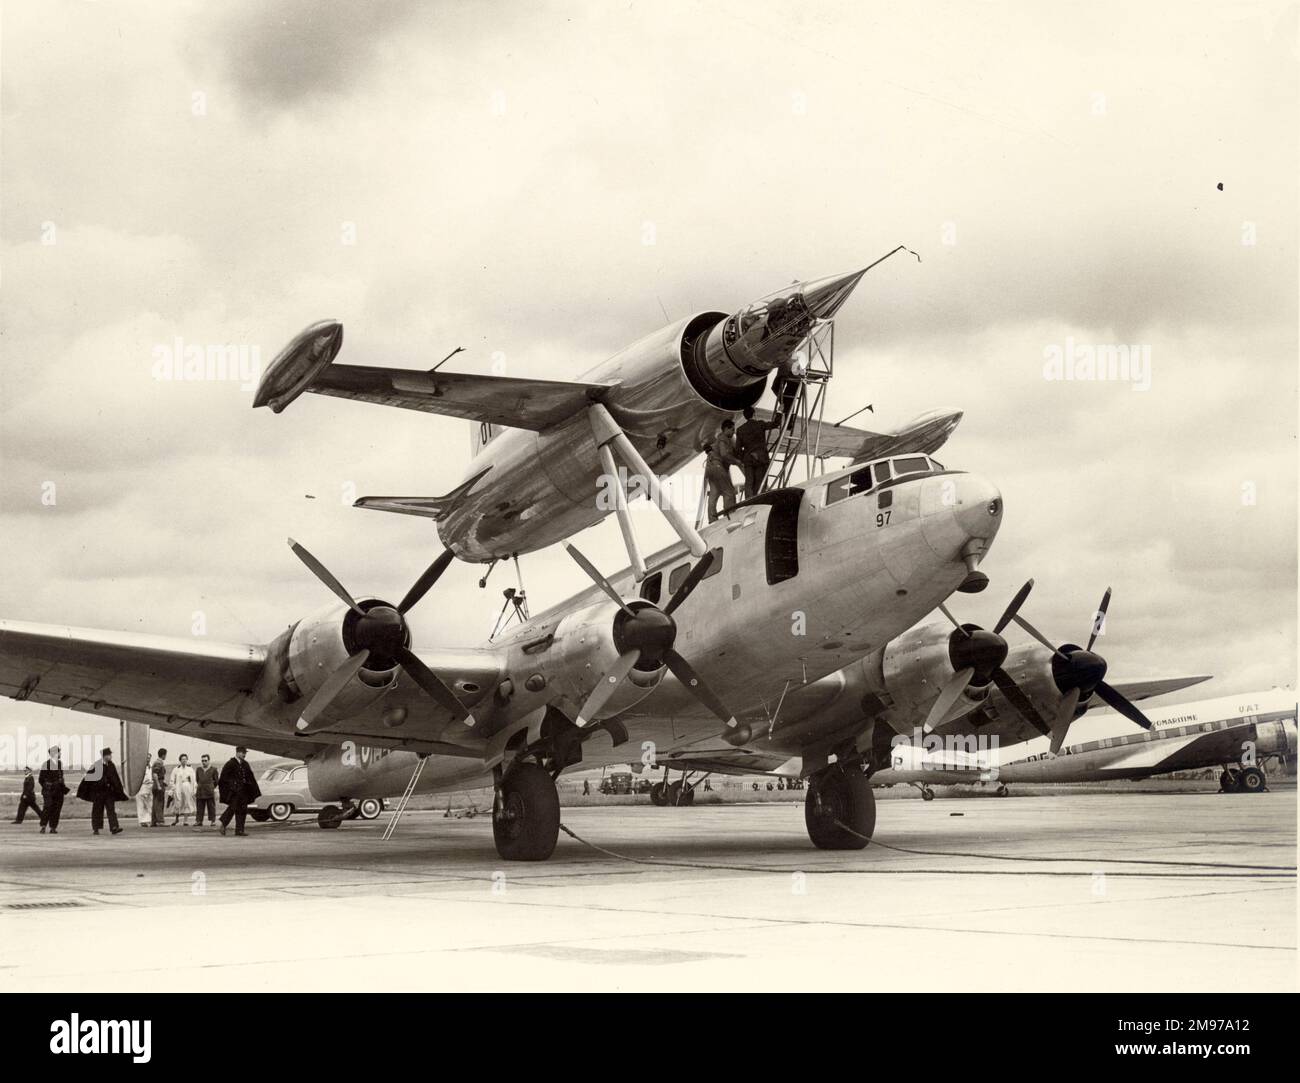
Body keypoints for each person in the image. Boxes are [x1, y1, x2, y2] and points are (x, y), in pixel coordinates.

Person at [76, 747, 127, 836]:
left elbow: (116, 778)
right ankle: (96, 828)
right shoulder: (96, 765)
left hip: (109, 793)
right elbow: (88, 777)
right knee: (97, 810)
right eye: (109, 755)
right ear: (105, 756)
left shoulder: (111, 765)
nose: (111, 756)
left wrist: (118, 790)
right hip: (98, 793)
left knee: (111, 809)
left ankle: (114, 827)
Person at [735, 406, 783, 499]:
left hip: (748, 459)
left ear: (745, 417)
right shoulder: (760, 424)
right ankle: (759, 501)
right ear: (754, 414)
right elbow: (776, 424)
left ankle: (749, 502)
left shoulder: (740, 429)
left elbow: (738, 449)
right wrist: (779, 411)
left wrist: (744, 458)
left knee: (749, 483)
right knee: (760, 483)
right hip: (761, 458)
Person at [704, 420, 744, 522]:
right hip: (718, 467)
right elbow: (724, 454)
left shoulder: (719, 440)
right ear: (726, 429)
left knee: (714, 493)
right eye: (732, 430)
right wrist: (737, 461)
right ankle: (730, 517)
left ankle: (712, 520)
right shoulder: (723, 438)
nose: (733, 432)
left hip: (710, 469)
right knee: (729, 492)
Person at [218, 747, 261, 837]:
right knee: (232, 808)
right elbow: (223, 778)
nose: (244, 755)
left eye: (245, 753)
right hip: (235, 792)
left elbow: (250, 776)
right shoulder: (230, 764)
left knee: (243, 810)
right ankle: (223, 824)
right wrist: (232, 786)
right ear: (237, 753)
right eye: (242, 753)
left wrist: (252, 788)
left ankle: (240, 830)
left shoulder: (245, 764)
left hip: (244, 791)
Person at [38, 746, 69, 834]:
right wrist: (48, 786)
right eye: (59, 752)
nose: (60, 754)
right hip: (49, 791)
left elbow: (61, 777)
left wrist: (63, 787)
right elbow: (41, 779)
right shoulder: (46, 764)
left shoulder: (60, 763)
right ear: (54, 754)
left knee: (57, 809)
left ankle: (53, 827)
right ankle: (43, 826)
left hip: (59, 791)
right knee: (47, 807)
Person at [169, 754, 197, 827]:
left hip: (187, 787)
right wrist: (174, 788)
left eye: (185, 759)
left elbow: (194, 780)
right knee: (178, 803)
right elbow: (172, 780)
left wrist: (193, 789)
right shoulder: (176, 769)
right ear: (180, 760)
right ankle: (176, 818)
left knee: (186, 803)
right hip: (178, 788)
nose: (184, 760)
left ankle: (185, 820)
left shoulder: (190, 769)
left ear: (187, 760)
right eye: (182, 759)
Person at [194, 754, 219, 827]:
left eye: (205, 760)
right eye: (202, 761)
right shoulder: (198, 769)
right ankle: (199, 821)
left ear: (208, 761)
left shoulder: (213, 769)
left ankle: (212, 821)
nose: (204, 762)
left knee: (211, 807)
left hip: (209, 791)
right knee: (199, 807)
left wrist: (211, 787)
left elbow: (216, 781)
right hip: (200, 791)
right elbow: (197, 779)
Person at [150, 749, 168, 827]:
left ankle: (154, 821)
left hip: (157, 783)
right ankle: (160, 821)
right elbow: (155, 774)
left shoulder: (157, 762)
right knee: (159, 802)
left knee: (155, 802)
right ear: (163, 755)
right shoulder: (159, 763)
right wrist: (159, 785)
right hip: (158, 783)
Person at [135, 753, 153, 827]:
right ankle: (142, 821)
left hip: (149, 787)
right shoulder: (139, 767)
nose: (148, 759)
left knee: (149, 804)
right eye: (146, 758)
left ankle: (148, 820)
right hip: (141, 787)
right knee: (141, 804)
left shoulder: (151, 767)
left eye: (149, 758)